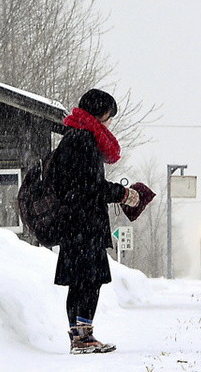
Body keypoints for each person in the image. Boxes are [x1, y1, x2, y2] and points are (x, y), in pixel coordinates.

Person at [49, 89, 140, 354]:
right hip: (84, 224)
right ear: (99, 114)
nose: (109, 123)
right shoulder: (84, 140)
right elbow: (91, 186)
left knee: (80, 281)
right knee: (89, 281)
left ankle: (80, 337)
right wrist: (122, 194)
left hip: (74, 223)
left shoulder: (73, 138)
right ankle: (83, 338)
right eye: (109, 117)